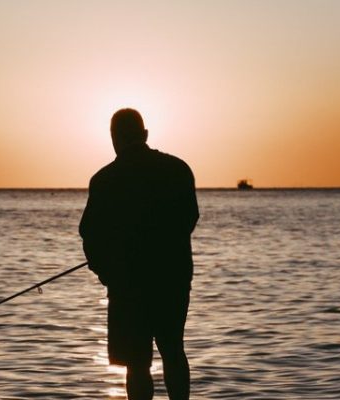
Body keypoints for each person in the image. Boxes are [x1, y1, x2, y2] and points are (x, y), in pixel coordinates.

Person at [79, 108, 199, 400]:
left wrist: (106, 272)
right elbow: (190, 218)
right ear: (145, 135)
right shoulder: (178, 169)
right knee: (173, 351)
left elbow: (90, 236)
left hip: (127, 286)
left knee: (136, 364)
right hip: (173, 280)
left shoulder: (104, 180)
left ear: (113, 139)